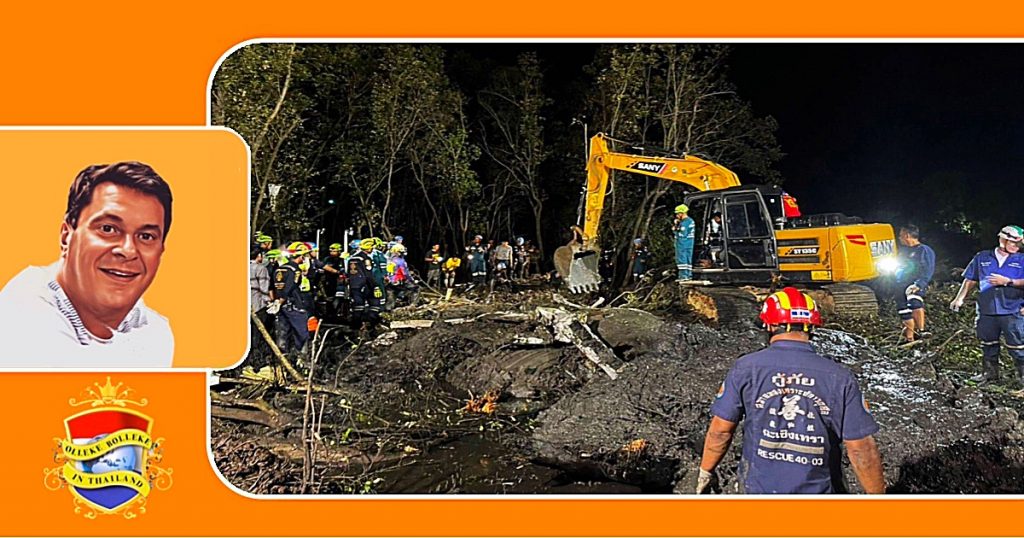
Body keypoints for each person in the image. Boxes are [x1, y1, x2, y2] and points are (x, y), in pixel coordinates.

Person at [697, 287, 885, 494]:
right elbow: (861, 450)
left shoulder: (746, 368)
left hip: (758, 492)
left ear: (769, 325)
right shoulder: (839, 377)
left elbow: (721, 431)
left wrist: (706, 473)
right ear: (811, 326)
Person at [0, 161, 174, 367]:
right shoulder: (21, 317)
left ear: (161, 250)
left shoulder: (155, 332)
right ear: (66, 237)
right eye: (108, 229)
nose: (128, 250)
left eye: (146, 236)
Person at [949, 225, 1024, 384]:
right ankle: (990, 374)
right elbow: (970, 279)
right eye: (1013, 243)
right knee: (988, 344)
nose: (1016, 247)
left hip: (1012, 309)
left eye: (1018, 244)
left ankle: (1022, 378)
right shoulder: (982, 257)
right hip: (986, 309)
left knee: (1018, 346)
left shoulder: (1021, 260)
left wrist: (1008, 281)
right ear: (1002, 240)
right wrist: (959, 298)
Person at [895, 225, 936, 343]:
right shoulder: (904, 251)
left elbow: (928, 268)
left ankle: (922, 331)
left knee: (914, 302)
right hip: (900, 284)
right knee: (904, 311)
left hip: (914, 283)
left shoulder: (923, 250)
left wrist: (920, 283)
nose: (899, 238)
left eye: (901, 235)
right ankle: (910, 338)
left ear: (907, 235)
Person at [272, 246, 310, 356]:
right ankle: (301, 358)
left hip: (281, 305)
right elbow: (290, 286)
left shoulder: (279, 269)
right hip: (293, 303)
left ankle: (282, 357)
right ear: (300, 256)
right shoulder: (294, 270)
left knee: (282, 332)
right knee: (301, 332)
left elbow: (273, 286)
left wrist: (277, 301)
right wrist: (282, 300)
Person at [385, 245, 420, 310]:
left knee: (392, 293)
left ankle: (388, 308)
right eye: (401, 252)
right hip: (399, 280)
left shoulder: (389, 260)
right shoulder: (401, 261)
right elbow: (405, 273)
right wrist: (412, 280)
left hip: (390, 281)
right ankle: (413, 305)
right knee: (416, 288)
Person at [673, 204, 695, 282]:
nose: (677, 215)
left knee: (682, 259)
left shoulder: (685, 222)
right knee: (688, 259)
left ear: (682, 213)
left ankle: (683, 276)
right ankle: (688, 275)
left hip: (682, 243)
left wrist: (675, 228)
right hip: (689, 243)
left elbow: (682, 234)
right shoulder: (691, 221)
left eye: (677, 214)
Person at [250, 248, 271, 323]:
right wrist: (268, 301)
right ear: (259, 256)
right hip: (258, 304)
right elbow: (264, 287)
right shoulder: (261, 268)